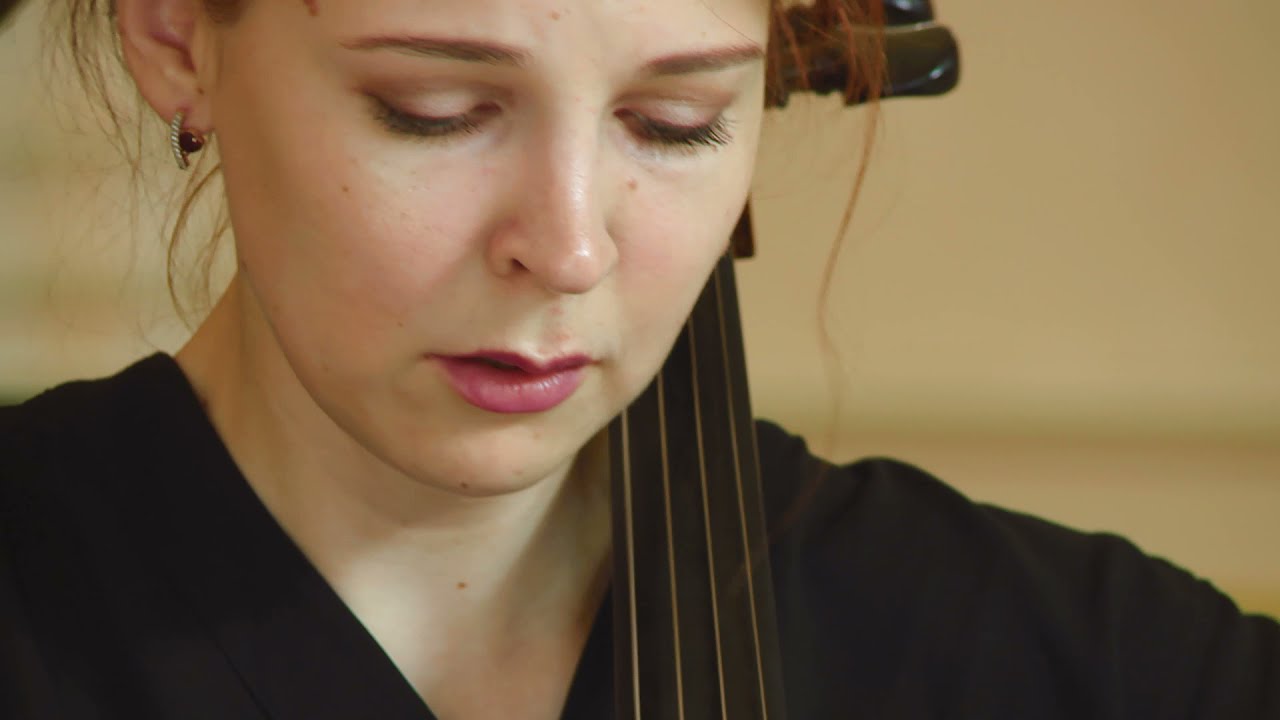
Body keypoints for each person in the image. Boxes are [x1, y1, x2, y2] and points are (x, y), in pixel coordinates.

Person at [1, 0, 1276, 718]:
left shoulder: (1075, 660)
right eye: (434, 111)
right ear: (176, 38)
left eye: (675, 123)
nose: (567, 250)